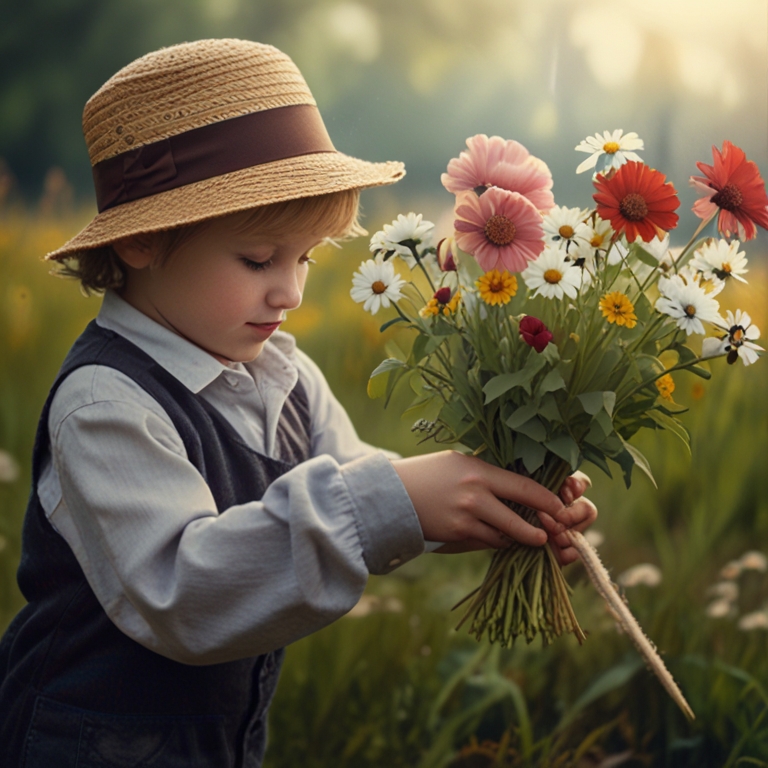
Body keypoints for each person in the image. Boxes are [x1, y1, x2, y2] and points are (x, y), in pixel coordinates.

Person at [0, 38, 597, 767]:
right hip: (80, 744)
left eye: (307, 257)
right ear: (144, 243)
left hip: (216, 743)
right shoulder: (104, 402)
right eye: (258, 259)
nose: (290, 291)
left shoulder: (279, 369)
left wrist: (485, 503)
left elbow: (359, 481)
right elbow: (185, 592)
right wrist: (393, 502)